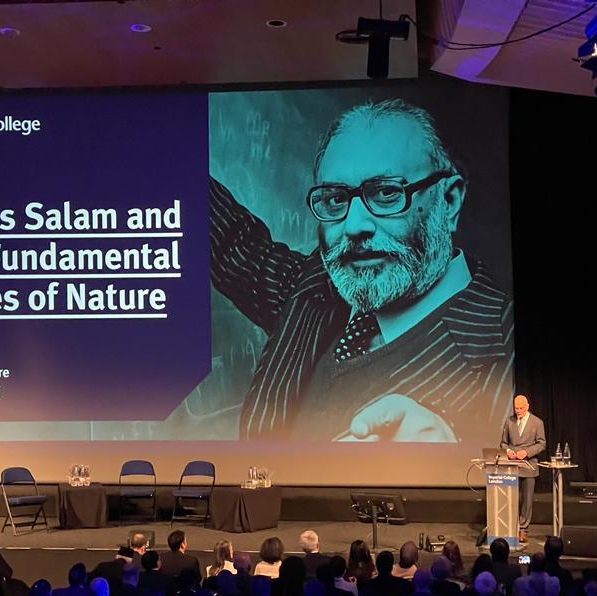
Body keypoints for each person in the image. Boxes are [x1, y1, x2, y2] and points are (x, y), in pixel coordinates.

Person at [209, 97, 513, 441]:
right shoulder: (315, 289)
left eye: (386, 192)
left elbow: (517, 473)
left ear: (450, 200)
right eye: (336, 198)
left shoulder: (502, 349)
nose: (354, 225)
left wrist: (451, 454)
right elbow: (233, 244)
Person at [500, 394, 546, 543]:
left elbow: (541, 444)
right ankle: (509, 527)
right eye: (516, 408)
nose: (518, 411)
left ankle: (523, 529)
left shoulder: (537, 423)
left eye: (520, 408)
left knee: (527, 500)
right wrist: (508, 452)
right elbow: (503, 443)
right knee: (511, 498)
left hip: (528, 465)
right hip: (511, 466)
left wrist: (526, 452)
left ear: (527, 407)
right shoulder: (509, 421)